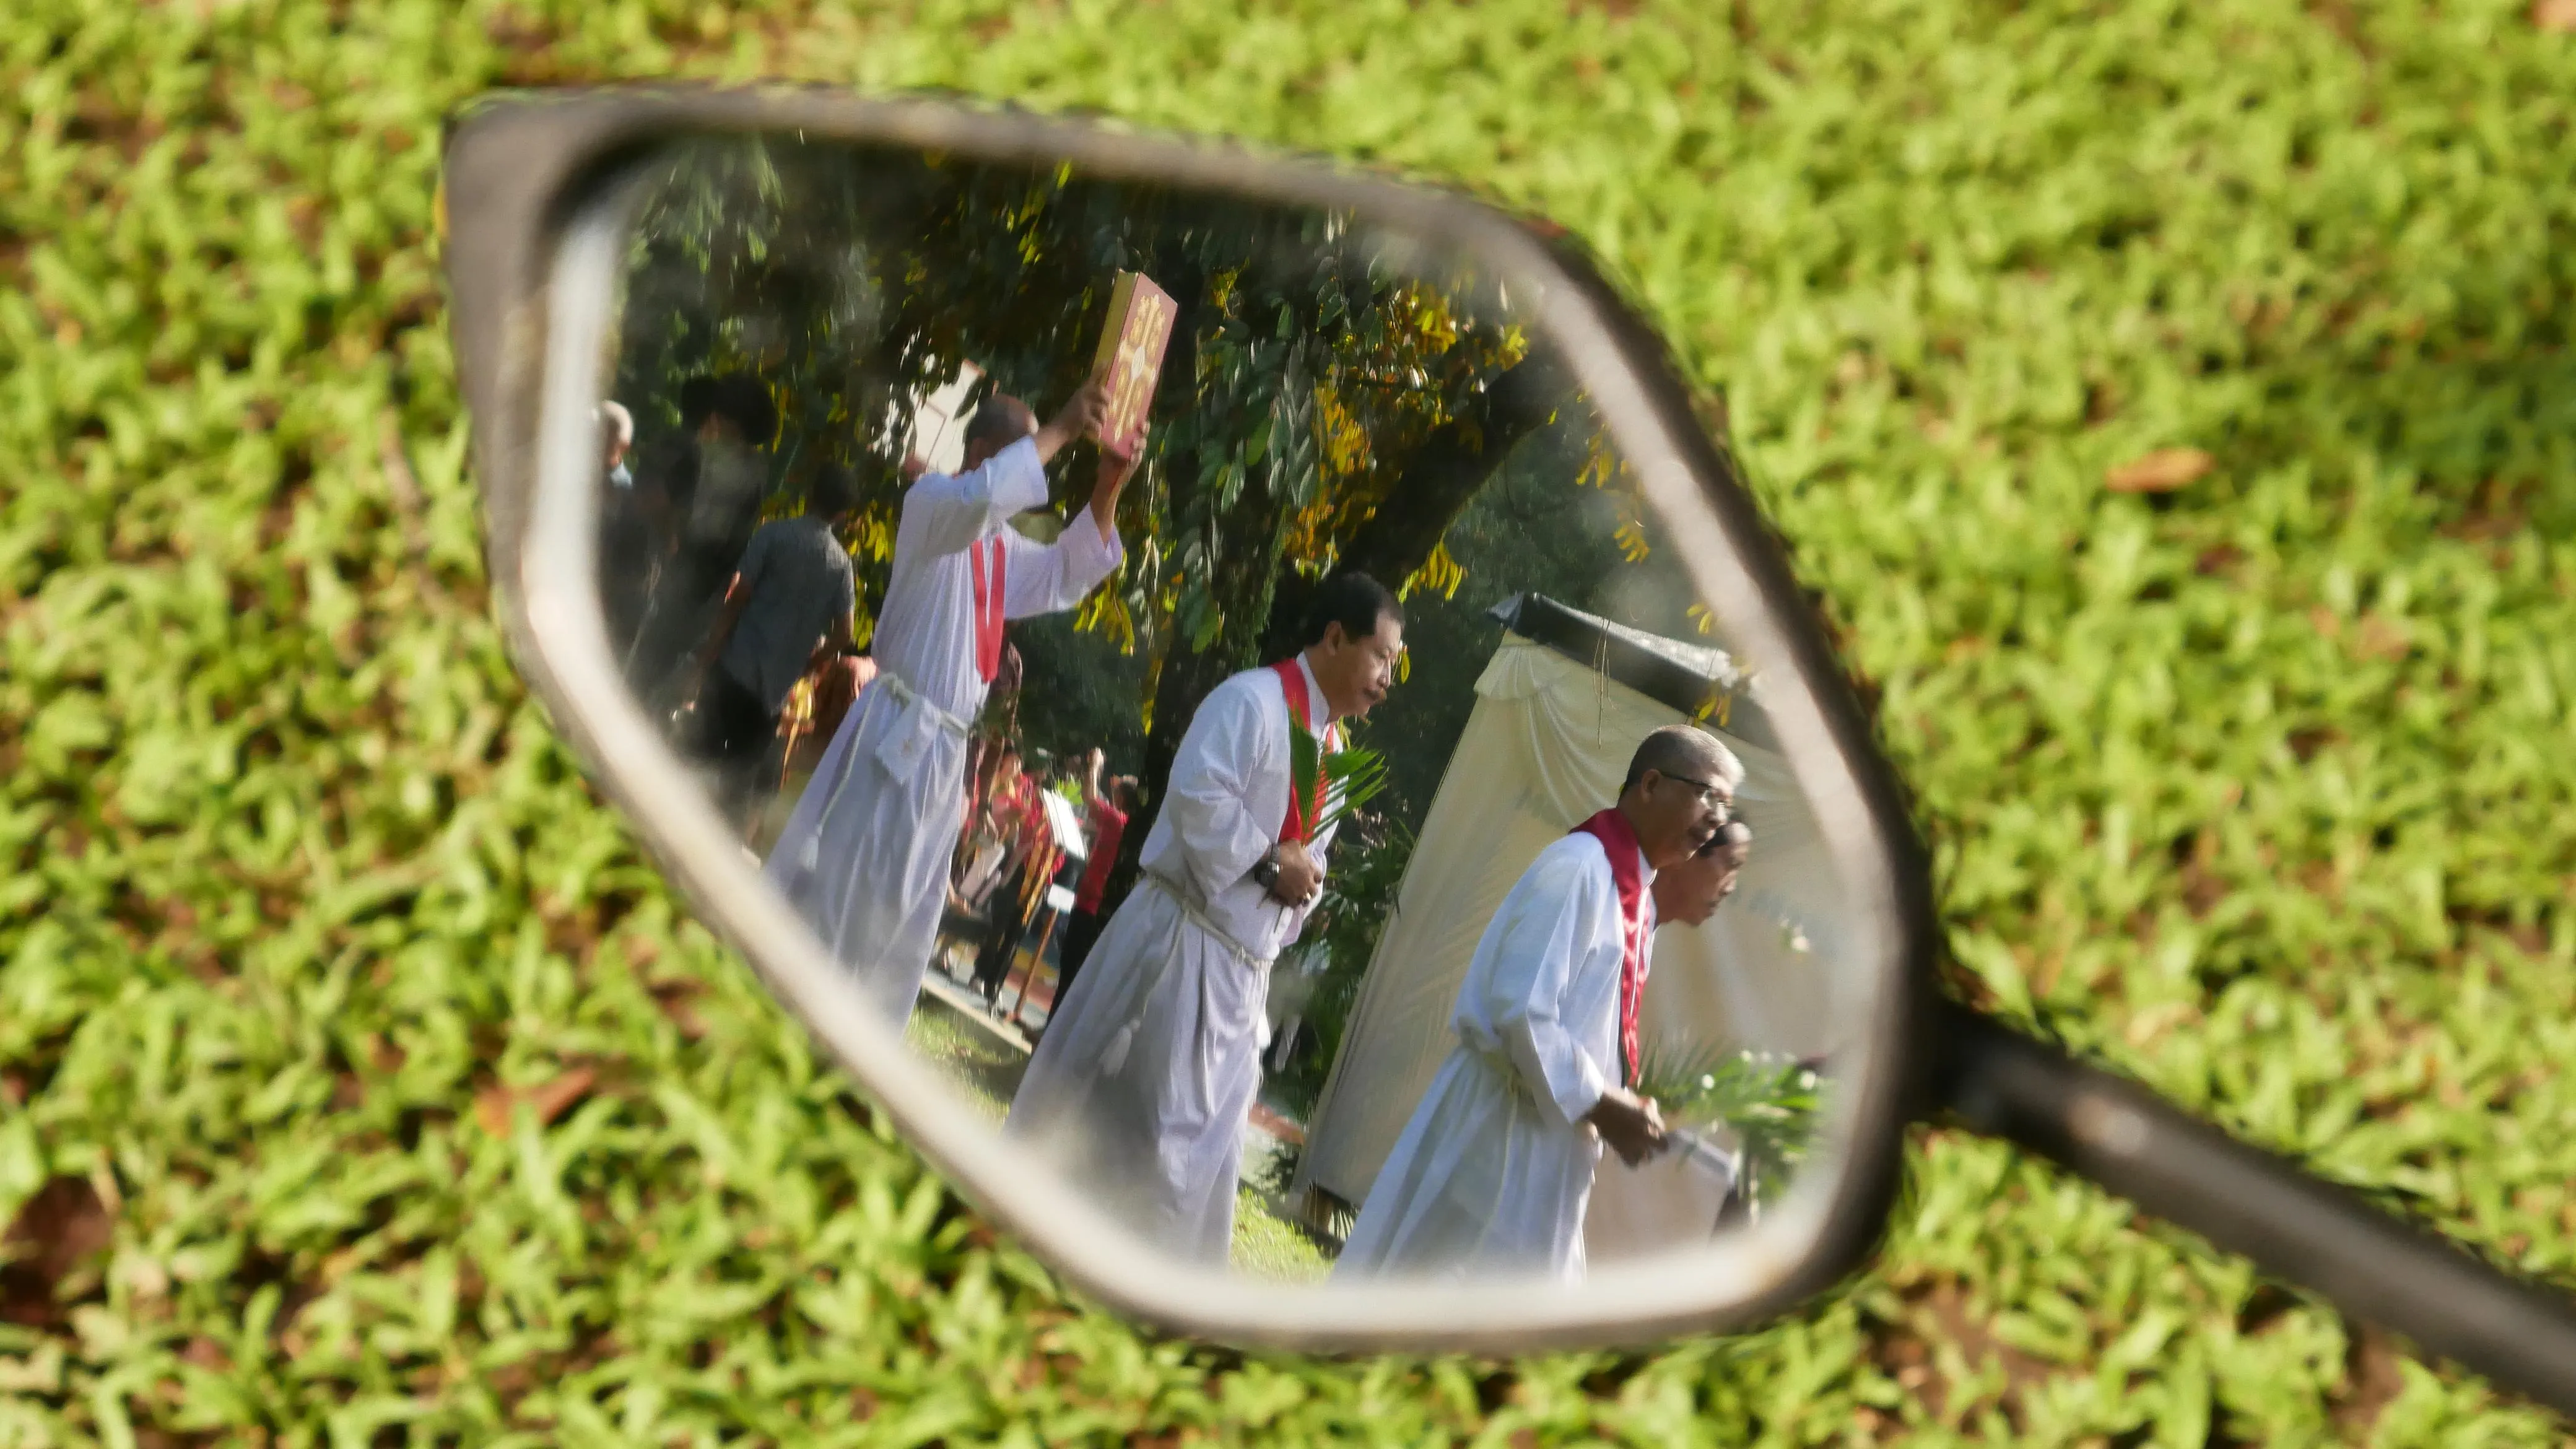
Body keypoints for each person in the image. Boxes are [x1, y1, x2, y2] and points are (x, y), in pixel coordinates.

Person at [1004, 572, 1406, 1266]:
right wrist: (1266, 866)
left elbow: (1297, 855)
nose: (1386, 678)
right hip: (1180, 947)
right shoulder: (1249, 701)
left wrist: (1302, 882)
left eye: (1393, 665)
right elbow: (1196, 797)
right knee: (1138, 1143)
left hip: (1239, 978)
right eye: (1381, 656)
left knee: (1195, 1175)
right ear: (1335, 638)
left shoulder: (1333, 750)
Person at [764, 381, 1122, 1025]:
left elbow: (1063, 575)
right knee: (846, 889)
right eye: (1025, 450)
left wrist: (1108, 487)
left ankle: (858, 1041)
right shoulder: (931, 503)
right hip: (895, 733)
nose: (1035, 464)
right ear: (982, 450)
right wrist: (1066, 427)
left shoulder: (997, 547)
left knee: (904, 911)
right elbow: (979, 497)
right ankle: (794, 1015)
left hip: (944, 755)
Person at [1331, 724, 1741, 1286]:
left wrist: (1616, 1103)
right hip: (1497, 1134)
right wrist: (1600, 1101)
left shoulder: (1637, 902)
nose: (1717, 819)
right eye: (1710, 796)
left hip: (1548, 1147)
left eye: (1726, 807)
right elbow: (1520, 1010)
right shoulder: (1579, 869)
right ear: (1650, 784)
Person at [676, 464, 862, 832]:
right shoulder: (842, 568)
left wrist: (706, 655)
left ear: (809, 494)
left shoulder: (774, 535)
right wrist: (811, 662)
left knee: (694, 762)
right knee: (733, 789)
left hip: (733, 671)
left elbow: (737, 598)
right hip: (772, 697)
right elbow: (845, 633)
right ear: (843, 514)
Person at [627, 375, 778, 702]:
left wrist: (669, 539)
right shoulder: (754, 470)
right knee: (646, 679)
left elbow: (687, 522)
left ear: (731, 421)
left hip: (674, 585)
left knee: (634, 668)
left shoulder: (714, 459)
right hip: (700, 598)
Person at [1055, 749, 1137, 1009]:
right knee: (1074, 972)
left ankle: (1050, 1034)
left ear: (1122, 798)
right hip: (1095, 904)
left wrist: (1095, 764)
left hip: (1090, 906)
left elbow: (1089, 795)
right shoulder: (1123, 824)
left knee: (1070, 970)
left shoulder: (1117, 820)